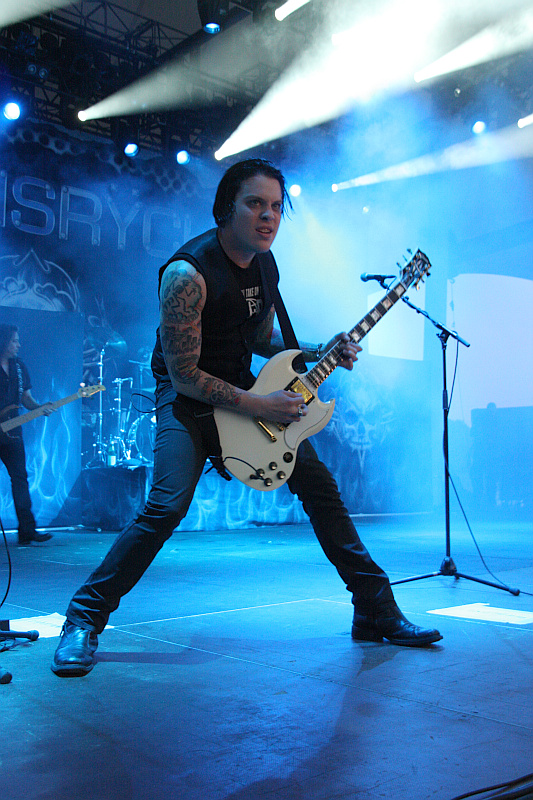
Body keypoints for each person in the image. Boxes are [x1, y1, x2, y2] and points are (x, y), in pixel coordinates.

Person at [52, 158, 442, 676]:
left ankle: (375, 607)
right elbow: (184, 375)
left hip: (245, 390)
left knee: (321, 490)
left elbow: (258, 338)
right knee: (165, 508)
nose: (268, 216)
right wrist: (260, 405)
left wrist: (315, 348)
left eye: (276, 206)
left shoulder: (265, 265)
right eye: (255, 204)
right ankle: (82, 619)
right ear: (226, 208)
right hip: (189, 401)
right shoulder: (187, 275)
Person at [0, 325, 54, 545]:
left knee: (20, 479)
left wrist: (40, 408)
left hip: (13, 432)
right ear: (3, 341)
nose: (18, 345)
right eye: (14, 341)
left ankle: (27, 530)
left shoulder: (20, 367)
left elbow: (26, 399)